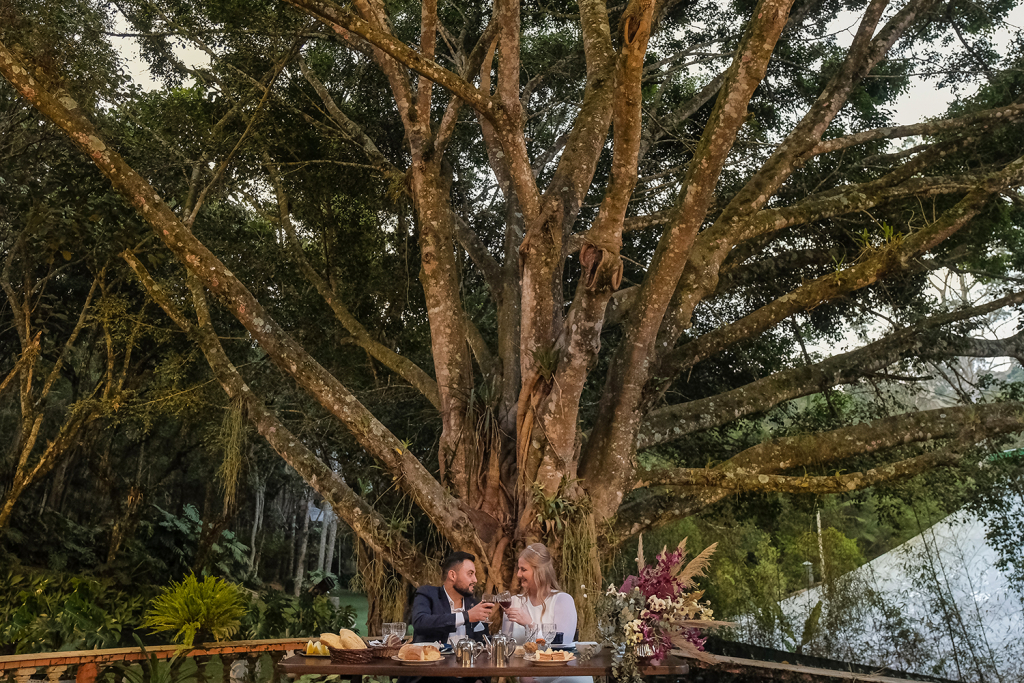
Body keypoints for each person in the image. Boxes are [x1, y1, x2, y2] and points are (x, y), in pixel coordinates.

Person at [501, 543, 592, 683]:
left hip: (565, 673)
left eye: (523, 569)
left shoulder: (562, 600)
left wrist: (530, 624)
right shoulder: (514, 602)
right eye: (518, 569)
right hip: (529, 673)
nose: (518, 574)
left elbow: (561, 647)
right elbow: (506, 648)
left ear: (539, 571)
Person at [409, 551, 494, 643]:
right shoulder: (428, 594)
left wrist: (508, 622)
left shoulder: (474, 605)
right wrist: (466, 616)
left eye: (475, 574)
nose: (475, 580)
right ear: (452, 575)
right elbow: (420, 623)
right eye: (470, 574)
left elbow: (484, 643)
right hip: (432, 656)